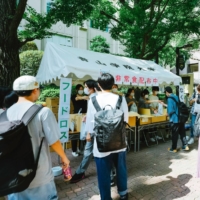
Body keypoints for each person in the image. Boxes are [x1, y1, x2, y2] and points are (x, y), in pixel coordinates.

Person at [7, 75, 70, 200]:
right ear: (35, 90)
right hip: (39, 175)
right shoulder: (43, 112)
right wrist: (64, 158)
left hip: (13, 176)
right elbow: (54, 141)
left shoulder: (5, 113)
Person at [85, 73, 129, 200]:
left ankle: (105, 197)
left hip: (101, 143)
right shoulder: (120, 99)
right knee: (121, 169)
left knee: (103, 173)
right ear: (113, 84)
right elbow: (125, 120)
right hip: (119, 141)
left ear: (98, 85)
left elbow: (90, 121)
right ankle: (123, 193)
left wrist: (88, 133)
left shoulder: (93, 100)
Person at [70, 79, 99, 183]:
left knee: (88, 152)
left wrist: (88, 132)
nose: (85, 89)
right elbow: (93, 113)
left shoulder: (92, 99)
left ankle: (80, 172)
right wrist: (87, 116)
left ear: (91, 88)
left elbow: (93, 116)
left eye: (86, 87)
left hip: (93, 129)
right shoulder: (96, 97)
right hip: (99, 129)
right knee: (101, 152)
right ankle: (112, 173)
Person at [163, 86, 189, 153]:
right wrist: (166, 105)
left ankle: (173, 148)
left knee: (175, 134)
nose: (165, 94)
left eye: (165, 92)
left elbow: (171, 110)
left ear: (167, 92)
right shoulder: (176, 97)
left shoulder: (169, 99)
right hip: (181, 118)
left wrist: (167, 114)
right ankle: (185, 146)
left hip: (175, 119)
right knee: (182, 133)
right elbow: (176, 106)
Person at [71, 84, 88, 157]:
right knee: (75, 134)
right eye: (80, 89)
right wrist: (84, 97)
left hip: (84, 116)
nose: (81, 90)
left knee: (83, 133)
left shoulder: (85, 97)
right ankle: (74, 150)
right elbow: (77, 98)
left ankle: (81, 149)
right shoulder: (74, 96)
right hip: (76, 117)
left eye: (82, 89)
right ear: (77, 90)